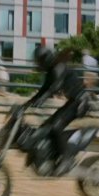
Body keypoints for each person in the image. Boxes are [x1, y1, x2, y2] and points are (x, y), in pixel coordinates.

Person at [19, 46, 91, 175]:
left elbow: (55, 86)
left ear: (45, 59)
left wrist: (43, 98)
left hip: (80, 102)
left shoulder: (59, 66)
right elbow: (43, 91)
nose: (39, 64)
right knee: (48, 125)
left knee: (56, 126)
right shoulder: (50, 72)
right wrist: (25, 105)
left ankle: (66, 159)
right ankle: (52, 155)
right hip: (73, 102)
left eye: (40, 61)